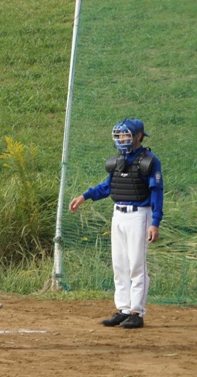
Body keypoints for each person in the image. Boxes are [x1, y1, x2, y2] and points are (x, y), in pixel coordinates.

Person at [69, 119, 162, 329]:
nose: (122, 139)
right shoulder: (118, 160)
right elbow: (107, 187)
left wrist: (155, 222)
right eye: (120, 135)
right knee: (120, 265)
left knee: (137, 266)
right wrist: (85, 196)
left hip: (140, 215)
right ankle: (123, 309)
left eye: (126, 135)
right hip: (118, 215)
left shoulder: (149, 161)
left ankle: (136, 312)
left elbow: (157, 192)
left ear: (138, 136)